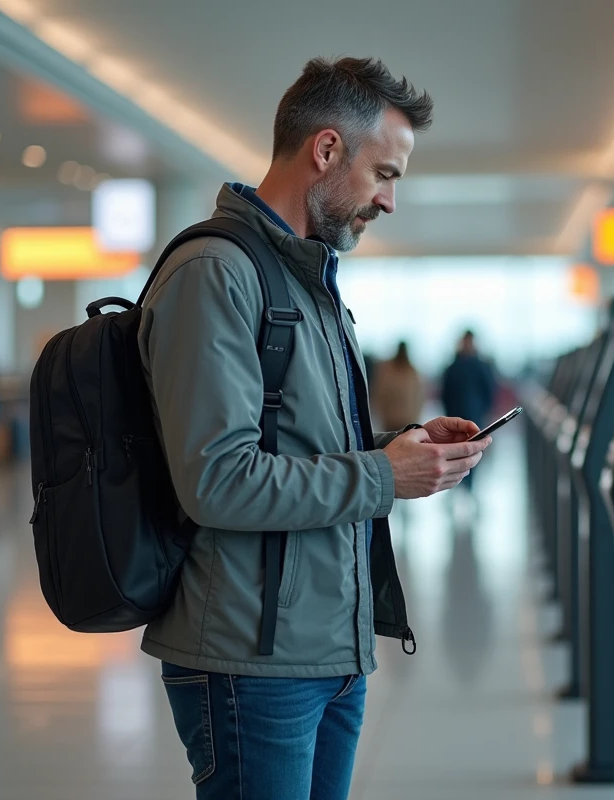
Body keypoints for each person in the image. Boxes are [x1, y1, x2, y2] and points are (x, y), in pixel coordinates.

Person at [138, 57, 491, 799]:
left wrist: (405, 446)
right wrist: (383, 475)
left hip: (328, 652)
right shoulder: (217, 273)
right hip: (250, 663)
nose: (390, 201)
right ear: (326, 151)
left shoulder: (311, 282)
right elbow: (217, 480)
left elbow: (300, 447)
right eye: (385, 175)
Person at [440, 330, 498, 492]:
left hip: (475, 417)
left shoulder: (480, 366)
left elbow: (489, 391)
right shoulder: (453, 367)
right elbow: (446, 393)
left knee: (473, 453)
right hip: (456, 417)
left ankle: (469, 487)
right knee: (456, 453)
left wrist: (487, 411)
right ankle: (459, 487)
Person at [371, 341, 424, 432]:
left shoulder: (410, 371)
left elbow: (419, 396)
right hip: (393, 419)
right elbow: (380, 394)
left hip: (405, 419)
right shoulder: (390, 370)